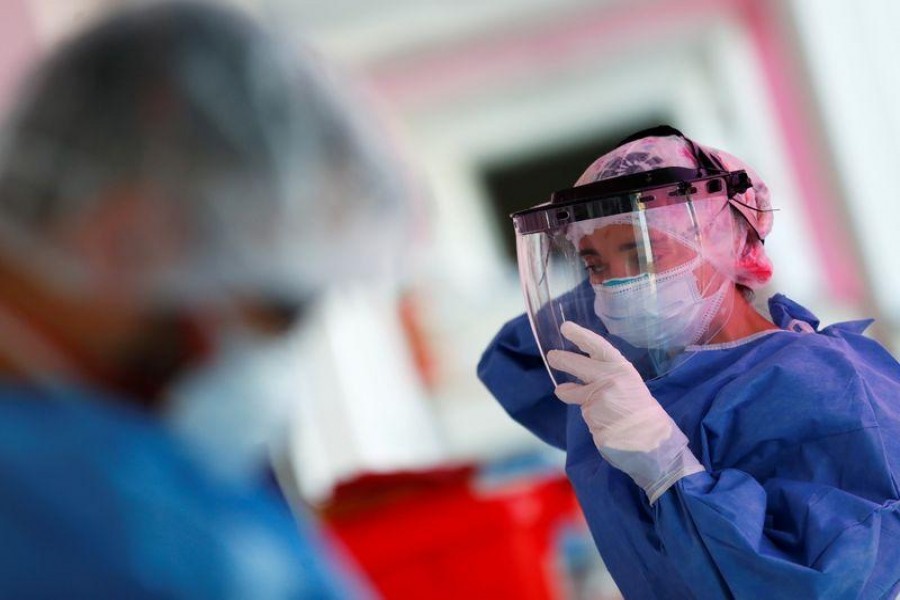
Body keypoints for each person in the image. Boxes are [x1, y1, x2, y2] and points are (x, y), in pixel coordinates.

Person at [0, 2, 408, 597]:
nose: (270, 349)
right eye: (279, 304)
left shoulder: (122, 463)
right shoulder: (81, 516)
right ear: (126, 237)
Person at [478, 125, 900, 598]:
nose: (617, 285)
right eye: (595, 266)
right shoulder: (644, 376)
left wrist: (667, 463)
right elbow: (515, 365)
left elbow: (831, 582)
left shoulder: (827, 383)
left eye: (641, 254)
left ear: (723, 244)